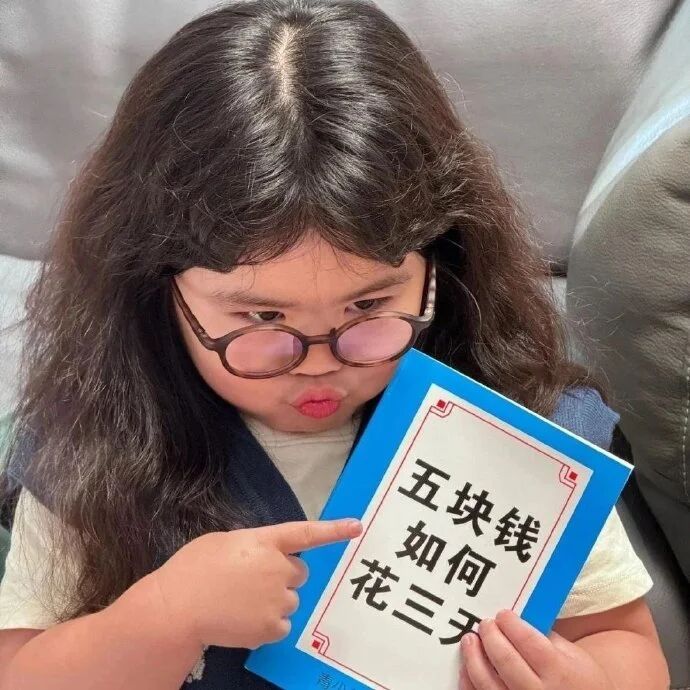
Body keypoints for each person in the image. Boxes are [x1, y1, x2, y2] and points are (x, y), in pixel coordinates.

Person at [0, 1, 669, 689]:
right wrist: (164, 616)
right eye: (262, 317)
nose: (320, 363)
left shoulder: (522, 434)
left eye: (369, 307)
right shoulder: (91, 445)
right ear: (152, 285)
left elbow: (623, 643)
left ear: (443, 265)